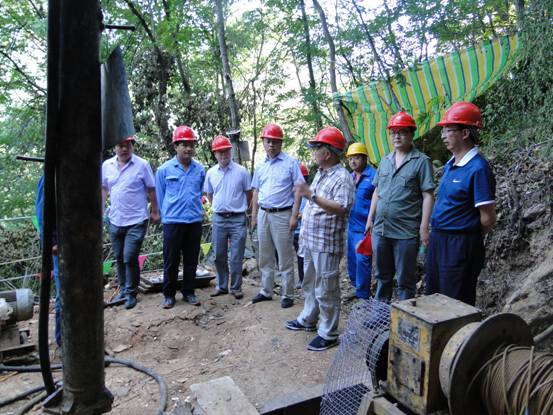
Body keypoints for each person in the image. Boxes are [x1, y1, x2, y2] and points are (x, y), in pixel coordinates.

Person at [286, 127, 355, 351]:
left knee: (326, 287)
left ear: (327, 152)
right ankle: (308, 318)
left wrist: (311, 195)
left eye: (317, 147)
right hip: (311, 239)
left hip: (326, 242)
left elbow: (342, 207)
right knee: (310, 282)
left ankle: (328, 332)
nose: (313, 152)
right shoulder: (321, 173)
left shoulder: (342, 177)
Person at [425, 102, 496, 305]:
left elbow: (487, 218)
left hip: (460, 243)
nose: (443, 135)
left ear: (465, 133)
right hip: (439, 240)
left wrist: (466, 237)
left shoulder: (478, 169)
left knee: (455, 301)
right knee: (434, 296)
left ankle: (462, 329)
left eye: (448, 130)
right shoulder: (451, 164)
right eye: (443, 130)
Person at [365, 112, 435, 302]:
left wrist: (424, 227)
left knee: (405, 280)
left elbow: (428, 195)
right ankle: (380, 313)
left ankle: (404, 315)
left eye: (402, 132)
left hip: (406, 232)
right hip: (381, 229)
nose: (397, 136)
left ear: (411, 134)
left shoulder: (421, 161)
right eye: (393, 132)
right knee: (382, 277)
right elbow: (377, 191)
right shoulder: (385, 161)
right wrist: (370, 218)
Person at [250, 123, 304, 308]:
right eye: (268, 141)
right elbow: (256, 191)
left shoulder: (290, 163)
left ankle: (287, 293)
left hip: (282, 214)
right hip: (263, 213)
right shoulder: (260, 166)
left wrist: (294, 216)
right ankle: (266, 290)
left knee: (284, 255)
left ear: (281, 143)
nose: (271, 145)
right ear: (263, 142)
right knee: (265, 255)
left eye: (275, 141)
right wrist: (254, 216)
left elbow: (299, 190)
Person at [101, 136, 159, 309]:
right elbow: (104, 188)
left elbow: (151, 189)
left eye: (128, 145)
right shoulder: (107, 166)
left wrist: (155, 210)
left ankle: (131, 293)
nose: (125, 149)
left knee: (129, 256)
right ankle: (123, 289)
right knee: (119, 257)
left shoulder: (142, 165)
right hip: (115, 220)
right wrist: (100, 211)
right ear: (115, 147)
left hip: (137, 220)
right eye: (121, 146)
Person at [156, 125, 205, 309]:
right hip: (173, 222)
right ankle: (169, 295)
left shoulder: (199, 170)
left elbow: (200, 193)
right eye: (184, 144)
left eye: (191, 144)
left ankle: (189, 292)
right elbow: (160, 197)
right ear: (175, 146)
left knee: (191, 260)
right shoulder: (164, 170)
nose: (188, 148)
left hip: (194, 221)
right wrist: (168, 214)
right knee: (171, 260)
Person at [204, 135, 252, 300]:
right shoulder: (211, 173)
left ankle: (236, 287)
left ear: (230, 151)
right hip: (219, 219)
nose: (223, 154)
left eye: (226, 151)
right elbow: (209, 194)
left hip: (238, 219)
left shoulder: (241, 171)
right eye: (220, 152)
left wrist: (239, 208)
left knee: (237, 255)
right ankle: (222, 286)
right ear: (215, 154)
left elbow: (249, 194)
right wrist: (219, 208)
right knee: (219, 254)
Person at [345, 142, 376, 299]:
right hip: (351, 226)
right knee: (352, 261)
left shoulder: (373, 176)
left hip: (366, 228)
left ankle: (363, 296)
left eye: (356, 158)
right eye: (350, 158)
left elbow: (379, 199)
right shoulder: (349, 177)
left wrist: (372, 222)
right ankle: (356, 287)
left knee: (363, 261)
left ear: (364, 158)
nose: (353, 161)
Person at [35, 175, 61, 347]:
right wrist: (52, 242)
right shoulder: (50, 176)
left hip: (79, 242)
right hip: (61, 243)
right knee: (64, 291)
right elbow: (42, 211)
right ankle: (63, 340)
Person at [293, 163, 310, 289]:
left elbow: (308, 211)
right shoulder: (291, 192)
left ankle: (305, 279)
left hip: (304, 230)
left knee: (304, 256)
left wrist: (298, 215)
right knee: (299, 255)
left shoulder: (308, 193)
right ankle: (301, 278)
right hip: (294, 231)